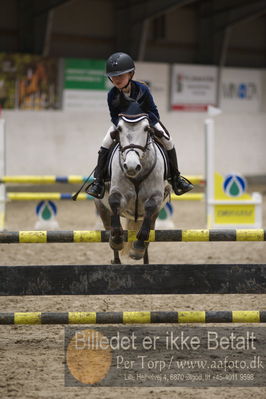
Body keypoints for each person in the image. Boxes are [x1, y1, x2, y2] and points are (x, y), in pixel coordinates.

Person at [86, 52, 193, 199]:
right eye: (113, 76)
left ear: (130, 74)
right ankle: (98, 182)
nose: (116, 79)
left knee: (168, 140)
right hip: (124, 125)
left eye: (121, 75)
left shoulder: (143, 90)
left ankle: (176, 178)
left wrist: (145, 123)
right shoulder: (111, 95)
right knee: (105, 143)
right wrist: (121, 126)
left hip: (146, 122)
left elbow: (154, 112)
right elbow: (113, 116)